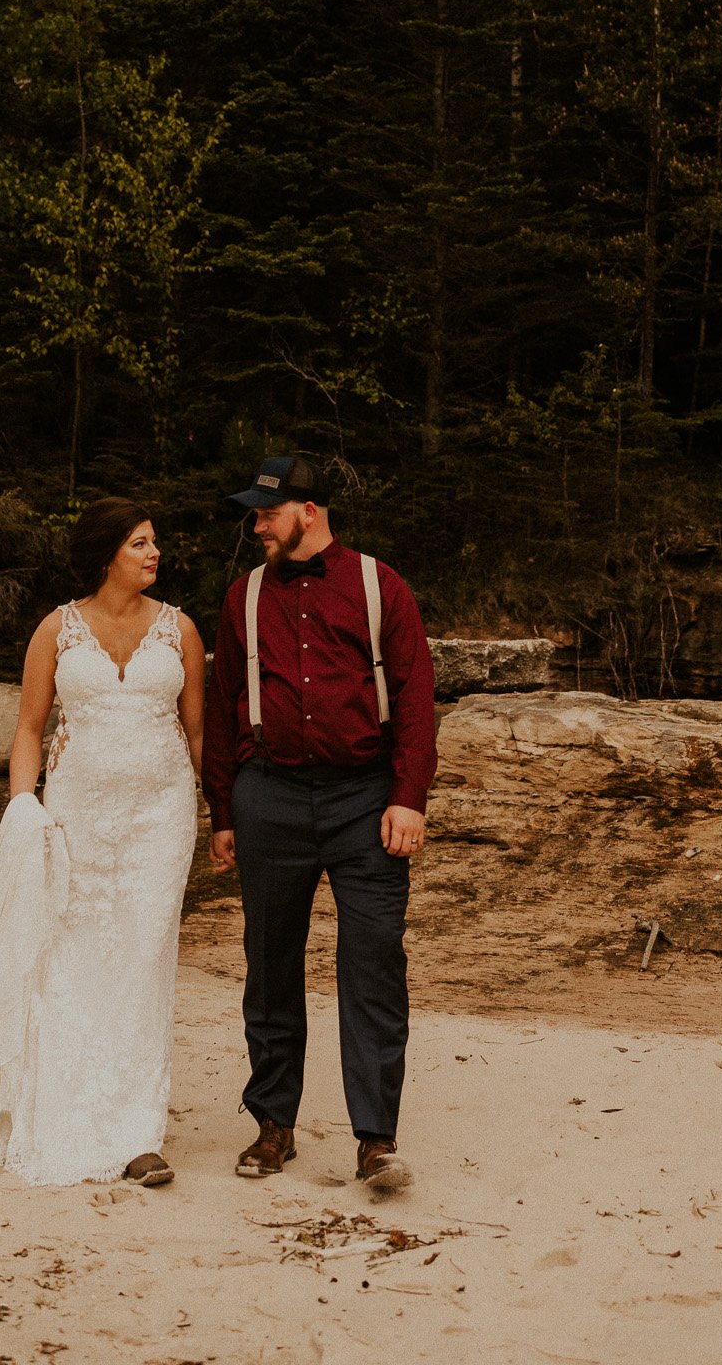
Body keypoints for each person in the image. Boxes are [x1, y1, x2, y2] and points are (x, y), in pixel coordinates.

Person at [0, 498, 205, 1187]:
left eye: (155, 543)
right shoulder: (55, 630)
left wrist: (227, 812)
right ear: (106, 554)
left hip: (160, 819)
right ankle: (64, 1109)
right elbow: (30, 728)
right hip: (75, 817)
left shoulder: (179, 628)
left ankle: (136, 1135)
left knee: (142, 962)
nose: (154, 554)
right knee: (71, 959)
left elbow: (198, 733)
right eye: (139, 544)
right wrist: (22, 810)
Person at [203, 454, 437, 1194]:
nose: (256, 524)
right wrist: (223, 810)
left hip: (364, 801)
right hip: (267, 796)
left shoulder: (378, 585)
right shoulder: (242, 596)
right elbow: (220, 710)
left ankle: (375, 1139)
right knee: (270, 966)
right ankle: (273, 1126)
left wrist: (408, 796)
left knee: (372, 966)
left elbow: (415, 696)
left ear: (307, 510)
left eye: (266, 512)